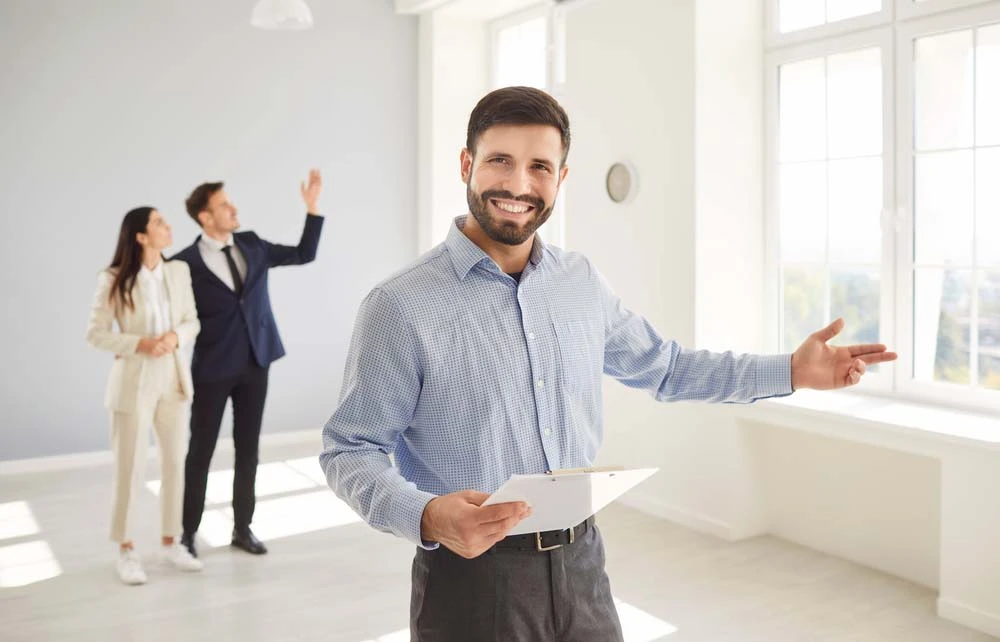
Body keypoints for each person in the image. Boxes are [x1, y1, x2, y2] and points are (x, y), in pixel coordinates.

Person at [319, 87, 898, 641]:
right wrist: (427, 515)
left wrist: (790, 371)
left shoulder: (579, 282)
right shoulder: (399, 304)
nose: (519, 184)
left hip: (583, 567)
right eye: (500, 160)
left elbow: (667, 368)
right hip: (471, 579)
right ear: (466, 163)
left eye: (540, 167)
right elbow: (349, 448)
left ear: (561, 178)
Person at [172, 171, 324, 557]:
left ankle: (243, 528)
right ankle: (188, 534)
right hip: (212, 369)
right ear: (205, 217)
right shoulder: (183, 264)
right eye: (224, 204)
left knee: (248, 449)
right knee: (200, 452)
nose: (233, 208)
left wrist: (312, 208)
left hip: (256, 362)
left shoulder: (252, 244)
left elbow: (303, 254)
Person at [86, 206, 204, 585]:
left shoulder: (177, 271)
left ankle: (171, 542)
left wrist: (173, 338)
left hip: (173, 375)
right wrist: (140, 343)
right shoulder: (113, 279)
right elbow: (96, 333)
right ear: (140, 236)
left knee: (174, 461)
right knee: (130, 466)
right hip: (133, 380)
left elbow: (192, 321)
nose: (167, 227)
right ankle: (127, 549)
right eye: (159, 223)